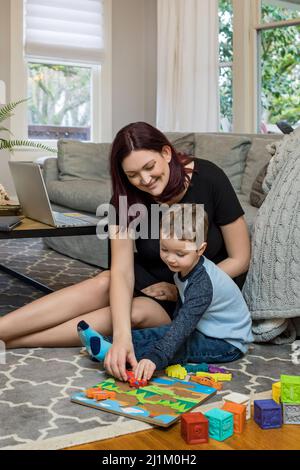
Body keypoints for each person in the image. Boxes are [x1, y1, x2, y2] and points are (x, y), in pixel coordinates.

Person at [0, 122, 250, 382]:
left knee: (133, 314)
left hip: (198, 296)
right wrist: (121, 338)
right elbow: (120, 270)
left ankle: (15, 340)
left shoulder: (209, 177)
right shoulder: (126, 197)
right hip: (153, 278)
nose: (144, 180)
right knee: (106, 281)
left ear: (166, 153)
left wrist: (184, 287)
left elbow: (240, 258)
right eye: (132, 174)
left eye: (149, 167)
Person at [77, 204, 253, 381]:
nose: (170, 258)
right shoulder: (185, 269)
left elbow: (183, 326)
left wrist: (156, 357)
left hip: (227, 342)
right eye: (164, 249)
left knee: (182, 346)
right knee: (159, 333)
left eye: (180, 253)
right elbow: (180, 317)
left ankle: (117, 355)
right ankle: (107, 342)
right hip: (204, 328)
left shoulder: (203, 284)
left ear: (200, 249)